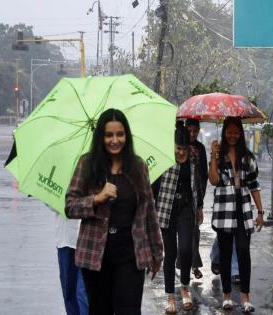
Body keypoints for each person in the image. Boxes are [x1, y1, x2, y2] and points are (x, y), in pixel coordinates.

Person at [65, 108, 163, 315]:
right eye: (109, 135)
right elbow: (70, 206)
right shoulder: (87, 163)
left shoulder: (138, 166)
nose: (115, 140)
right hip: (95, 254)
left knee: (129, 309)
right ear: (101, 136)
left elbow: (149, 211)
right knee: (100, 310)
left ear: (126, 136)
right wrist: (97, 198)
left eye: (120, 134)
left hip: (131, 251)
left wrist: (157, 253)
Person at [209, 116, 264, 313]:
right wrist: (213, 158)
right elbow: (214, 181)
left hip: (243, 209)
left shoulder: (247, 157)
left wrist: (260, 211)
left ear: (240, 133)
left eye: (236, 132)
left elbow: (254, 185)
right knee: (224, 254)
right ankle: (226, 296)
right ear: (224, 132)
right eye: (229, 131)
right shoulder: (219, 154)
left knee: (243, 251)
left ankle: (245, 297)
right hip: (224, 210)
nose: (232, 135)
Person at [153, 121, 203, 314]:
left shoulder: (193, 158)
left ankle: (184, 288)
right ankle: (170, 297)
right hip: (166, 208)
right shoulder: (164, 158)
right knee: (170, 252)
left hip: (185, 209)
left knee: (185, 249)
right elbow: (153, 186)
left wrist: (198, 207)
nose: (181, 153)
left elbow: (197, 183)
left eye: (184, 149)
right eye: (178, 149)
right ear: (172, 145)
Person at [183, 118, 207, 279]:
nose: (192, 134)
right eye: (190, 131)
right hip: (180, 198)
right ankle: (185, 264)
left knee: (194, 232)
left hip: (195, 196)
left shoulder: (200, 148)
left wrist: (200, 204)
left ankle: (194, 264)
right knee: (183, 236)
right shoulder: (178, 146)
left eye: (195, 132)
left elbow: (204, 176)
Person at [55, 213, 89, 315]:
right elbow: (51, 201)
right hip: (66, 240)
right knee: (69, 289)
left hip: (87, 241)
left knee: (82, 291)